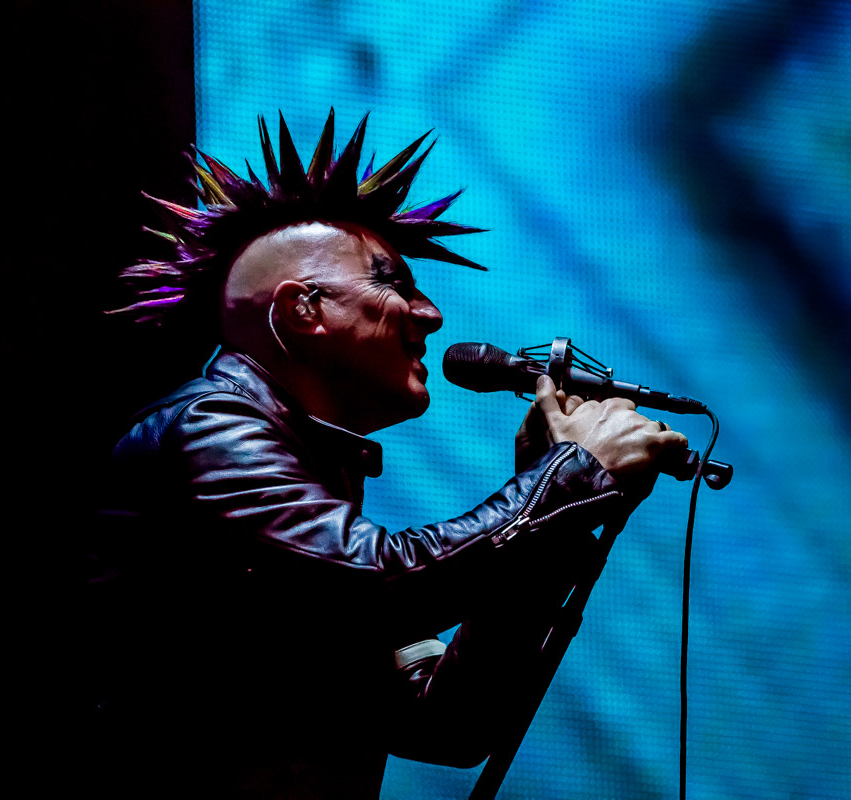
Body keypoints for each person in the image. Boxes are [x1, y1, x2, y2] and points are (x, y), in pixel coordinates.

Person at [95, 110, 687, 798]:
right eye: (394, 283)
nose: (431, 315)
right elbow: (372, 586)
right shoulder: (210, 426)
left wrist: (551, 507)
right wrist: (570, 479)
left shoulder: (310, 475)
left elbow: (448, 725)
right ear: (302, 311)